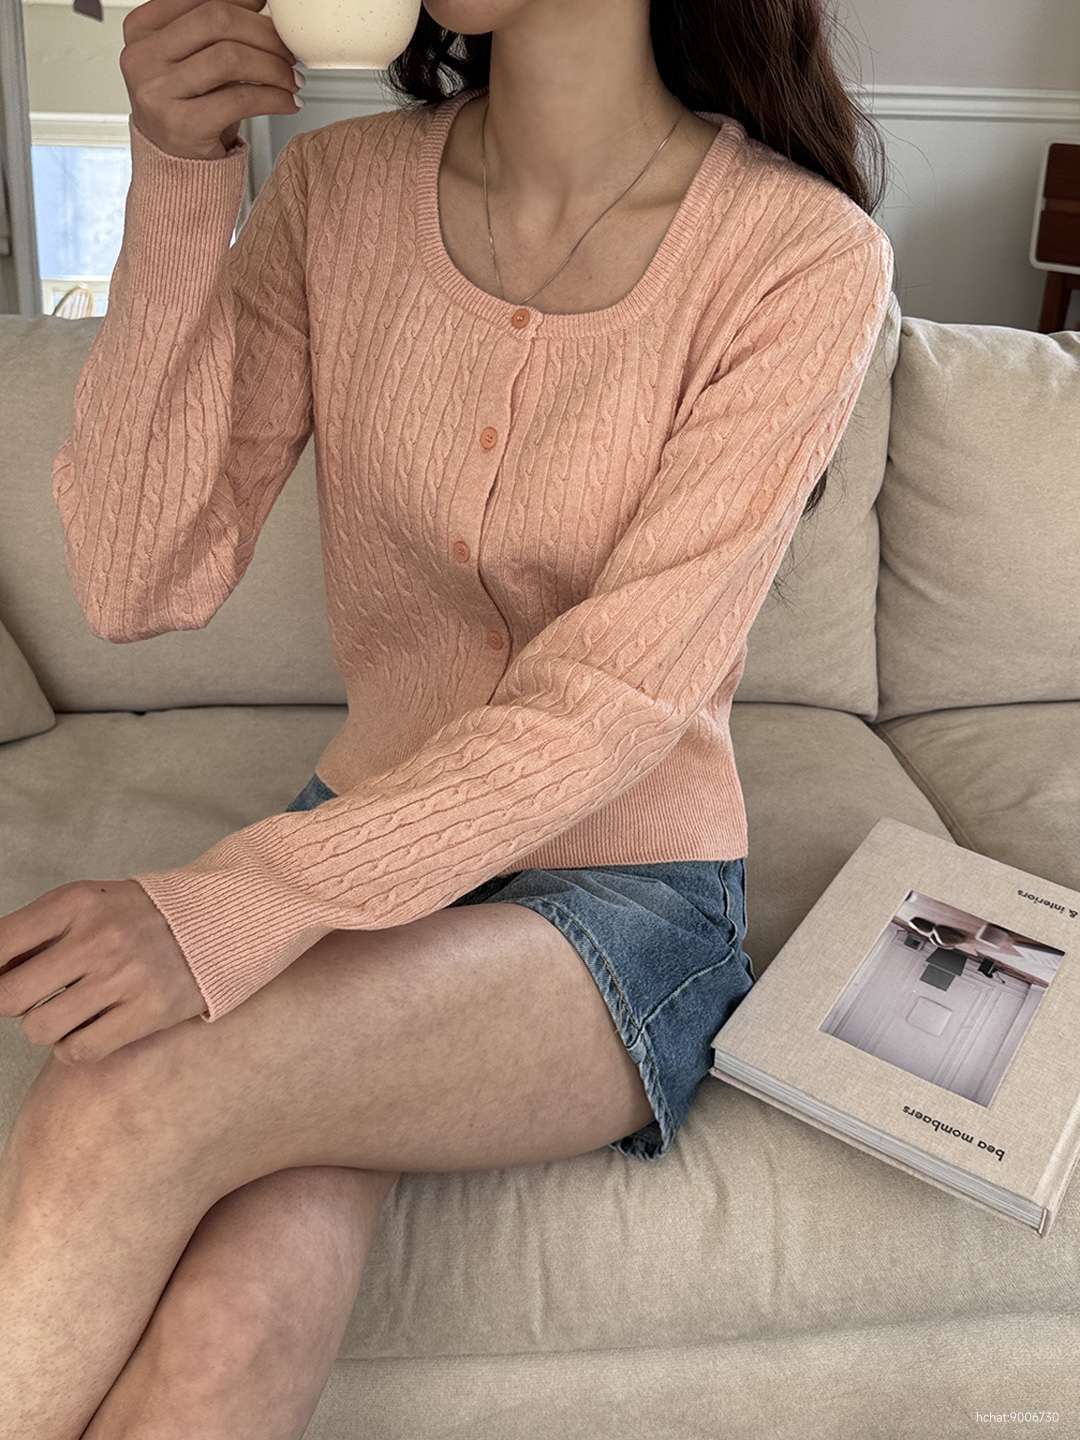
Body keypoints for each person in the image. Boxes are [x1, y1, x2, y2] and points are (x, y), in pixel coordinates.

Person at [0, 0, 894, 1434]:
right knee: (232, 1326)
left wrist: (237, 903)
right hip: (360, 848)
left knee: (122, 1095)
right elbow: (135, 573)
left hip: (623, 898)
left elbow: (613, 702)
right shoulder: (335, 194)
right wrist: (174, 171)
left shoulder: (801, 258)